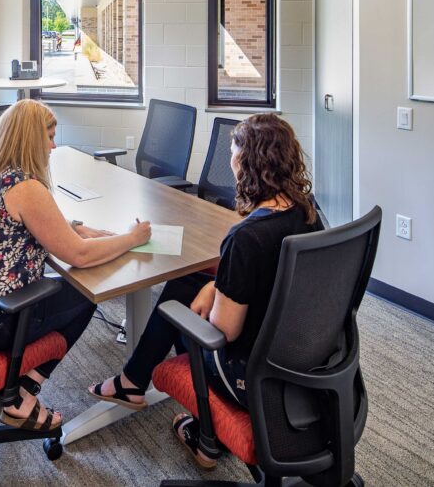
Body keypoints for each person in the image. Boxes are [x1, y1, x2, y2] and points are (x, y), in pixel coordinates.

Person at [88, 113, 324, 468]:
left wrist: (212, 296)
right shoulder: (308, 213)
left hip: (250, 371)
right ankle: (136, 384)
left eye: (233, 155)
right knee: (188, 282)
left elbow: (224, 330)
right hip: (303, 355)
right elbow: (273, 275)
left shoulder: (245, 238)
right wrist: (216, 283)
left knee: (179, 311)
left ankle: (199, 433)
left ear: (248, 163)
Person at [0, 99, 152, 432]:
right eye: (48, 136)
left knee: (74, 283)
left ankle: (18, 386)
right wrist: (133, 238)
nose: (53, 145)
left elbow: (19, 223)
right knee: (88, 291)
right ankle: (24, 391)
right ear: (30, 139)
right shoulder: (25, 187)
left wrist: (74, 226)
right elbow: (80, 256)